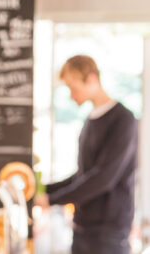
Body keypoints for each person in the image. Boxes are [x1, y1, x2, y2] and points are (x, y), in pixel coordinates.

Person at [35, 55, 138, 254]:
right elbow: (83, 175)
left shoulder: (123, 119)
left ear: (91, 79)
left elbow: (104, 177)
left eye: (73, 88)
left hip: (109, 232)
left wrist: (52, 200)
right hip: (83, 227)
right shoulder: (90, 119)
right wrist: (46, 190)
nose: (72, 96)